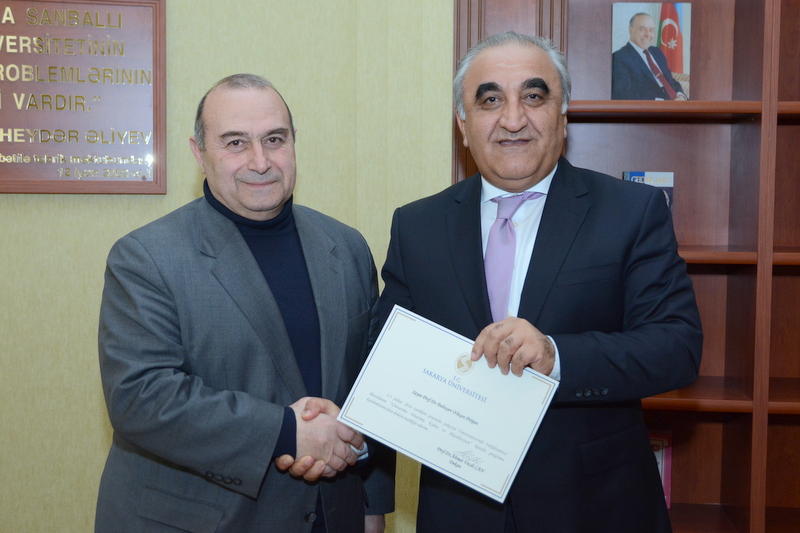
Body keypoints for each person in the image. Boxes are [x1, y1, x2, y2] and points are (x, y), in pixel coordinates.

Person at [379, 32, 702, 532]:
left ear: (562, 115)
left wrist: (555, 356)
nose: (513, 119)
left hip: (594, 509)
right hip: (459, 513)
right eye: (490, 100)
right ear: (463, 124)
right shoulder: (416, 226)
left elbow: (676, 347)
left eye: (533, 96)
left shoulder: (631, 211)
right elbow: (388, 367)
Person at [95, 74, 392, 533]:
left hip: (333, 517)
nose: (260, 161)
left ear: (293, 142)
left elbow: (375, 385)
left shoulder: (347, 247)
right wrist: (287, 433)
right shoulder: (146, 257)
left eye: (275, 139)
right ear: (199, 153)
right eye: (235, 143)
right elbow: (141, 397)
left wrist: (372, 504)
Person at [612, 13, 688, 100]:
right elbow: (625, 95)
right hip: (654, 107)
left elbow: (670, 81)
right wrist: (663, 103)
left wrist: (681, 96)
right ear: (630, 30)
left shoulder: (657, 52)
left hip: (679, 103)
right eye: (642, 29)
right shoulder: (619, 58)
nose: (648, 35)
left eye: (651, 30)